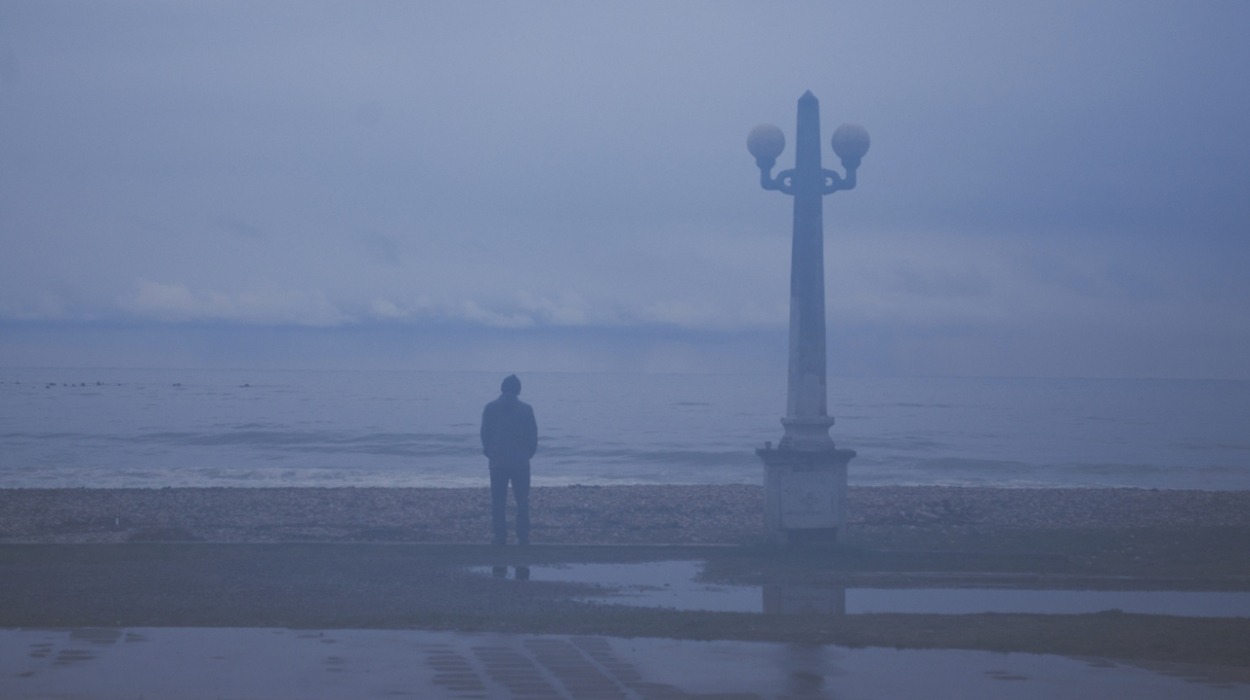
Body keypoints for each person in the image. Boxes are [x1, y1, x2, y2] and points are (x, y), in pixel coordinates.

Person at [480, 374, 538, 545]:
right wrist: (529, 453)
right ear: (518, 390)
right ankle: (523, 535)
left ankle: (500, 535)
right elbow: (533, 435)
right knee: (522, 500)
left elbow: (484, 434)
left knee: (498, 500)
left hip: (497, 461)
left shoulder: (490, 407)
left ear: (502, 388)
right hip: (520, 462)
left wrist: (490, 452)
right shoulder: (526, 409)